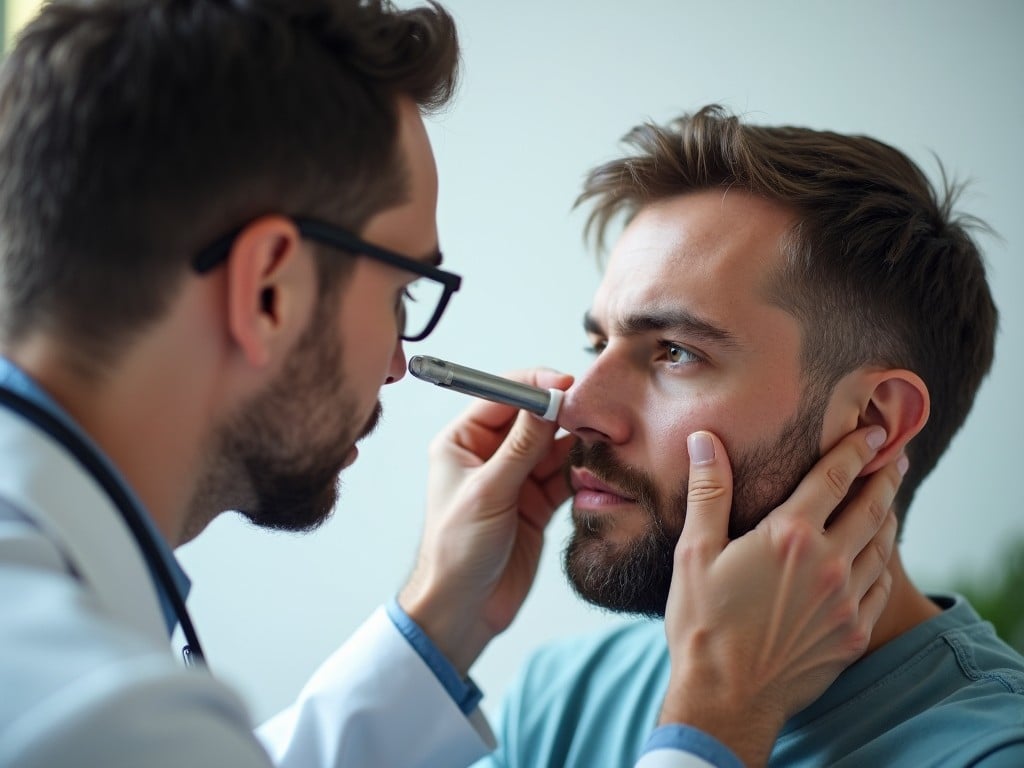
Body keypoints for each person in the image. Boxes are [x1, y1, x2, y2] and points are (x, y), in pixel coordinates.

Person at [0, 2, 902, 766]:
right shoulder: (85, 706)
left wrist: (435, 620)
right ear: (268, 288)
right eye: (401, 291)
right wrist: (715, 721)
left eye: (673, 350)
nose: (400, 359)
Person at [475, 105, 1024, 768]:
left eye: (675, 351)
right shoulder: (561, 700)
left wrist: (715, 720)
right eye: (597, 343)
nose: (575, 410)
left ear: (875, 422)